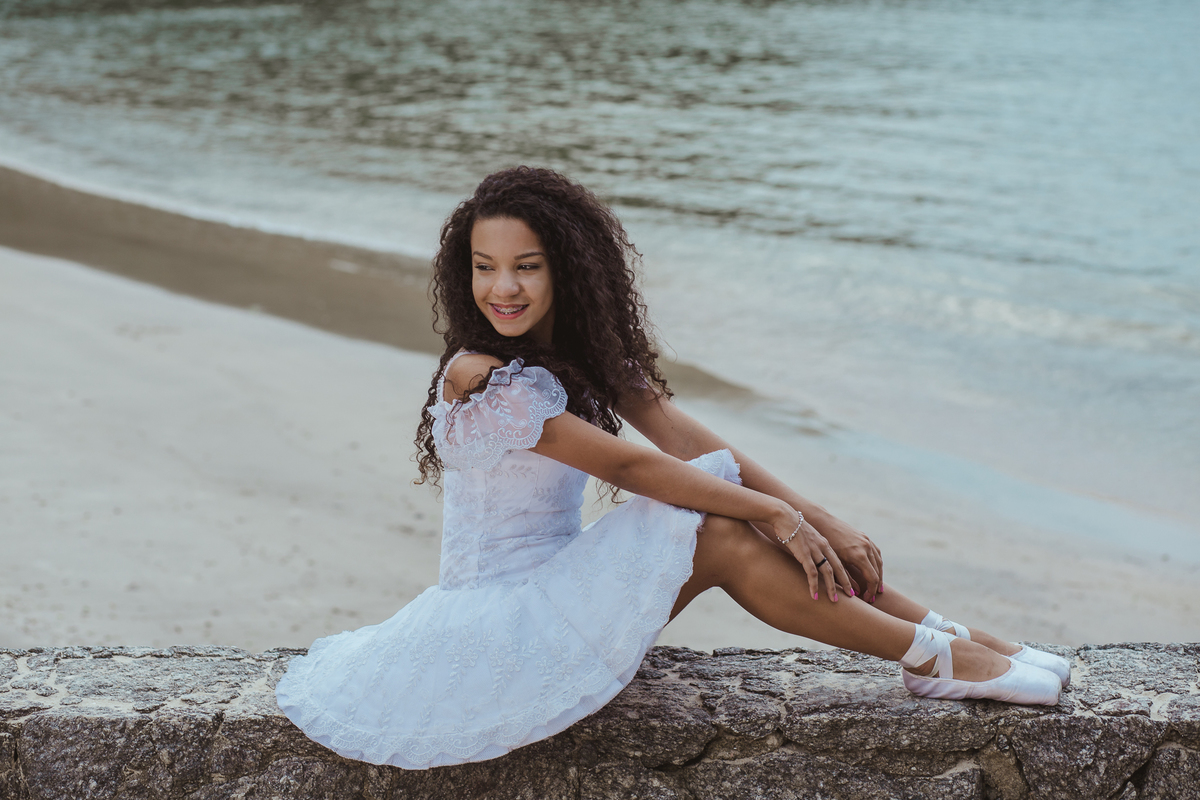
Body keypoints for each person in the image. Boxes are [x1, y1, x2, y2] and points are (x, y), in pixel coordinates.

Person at [275, 166, 1069, 770]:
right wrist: (772, 513)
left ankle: (945, 635)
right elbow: (632, 464)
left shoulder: (575, 356)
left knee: (727, 502)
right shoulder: (480, 376)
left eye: (527, 265)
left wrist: (811, 511)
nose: (502, 287)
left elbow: (678, 434)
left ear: (567, 269)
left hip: (562, 595)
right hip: (503, 627)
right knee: (722, 528)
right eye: (484, 267)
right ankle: (936, 659)